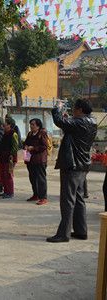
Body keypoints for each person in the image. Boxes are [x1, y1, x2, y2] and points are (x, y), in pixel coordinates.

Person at [47, 99, 97, 243]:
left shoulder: (80, 122)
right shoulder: (91, 122)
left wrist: (57, 107)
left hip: (73, 165)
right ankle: (81, 231)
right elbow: (67, 125)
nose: (73, 111)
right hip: (83, 165)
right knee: (79, 198)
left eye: (74, 109)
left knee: (68, 200)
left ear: (80, 110)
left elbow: (59, 121)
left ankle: (63, 234)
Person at [23, 118, 48, 205]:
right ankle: (36, 194)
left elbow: (44, 146)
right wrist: (26, 146)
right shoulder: (30, 134)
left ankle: (43, 197)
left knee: (41, 179)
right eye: (30, 124)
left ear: (38, 125)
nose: (31, 126)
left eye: (33, 124)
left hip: (40, 160)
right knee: (32, 178)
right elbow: (26, 142)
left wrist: (33, 148)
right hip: (30, 160)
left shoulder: (42, 133)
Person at [0, 118, 19, 199]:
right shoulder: (5, 133)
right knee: (3, 175)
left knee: (8, 175)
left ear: (9, 125)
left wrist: (11, 156)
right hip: (3, 157)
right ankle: (6, 191)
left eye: (5, 123)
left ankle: (10, 192)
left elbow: (15, 147)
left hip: (9, 159)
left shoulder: (14, 134)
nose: (3, 125)